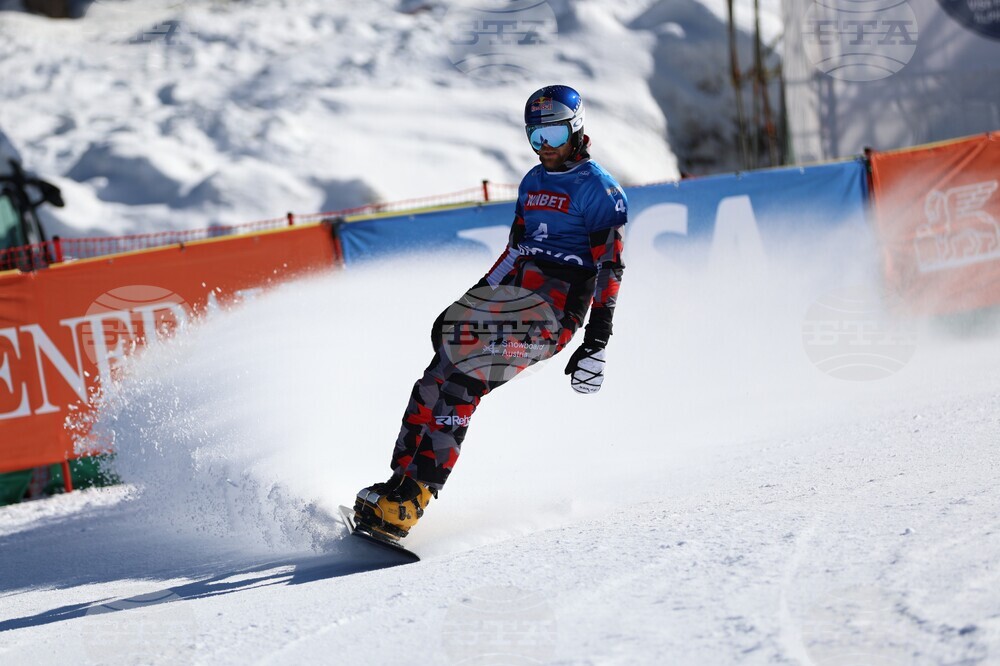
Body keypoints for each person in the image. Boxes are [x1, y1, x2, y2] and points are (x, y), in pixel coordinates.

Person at [354, 84, 628, 542]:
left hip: (551, 319)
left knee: (464, 383)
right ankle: (396, 484)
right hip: (510, 304)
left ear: (577, 132)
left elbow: (610, 267)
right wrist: (468, 300)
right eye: (536, 138)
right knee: (435, 376)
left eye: (555, 136)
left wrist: (595, 342)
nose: (546, 149)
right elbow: (514, 252)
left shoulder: (599, 190)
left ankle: (413, 500)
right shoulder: (533, 182)